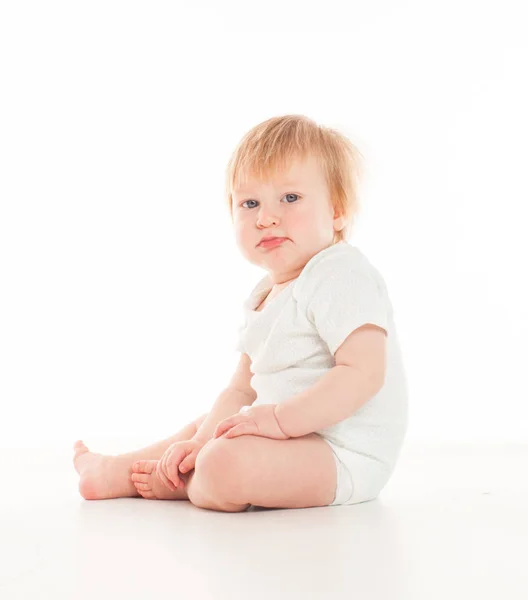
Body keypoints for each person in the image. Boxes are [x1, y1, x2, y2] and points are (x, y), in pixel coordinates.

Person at [73, 114, 408, 511]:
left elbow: (364, 373)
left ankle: (180, 483)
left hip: (343, 455)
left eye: (290, 198)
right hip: (287, 438)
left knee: (222, 461)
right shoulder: (267, 293)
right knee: (211, 425)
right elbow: (241, 389)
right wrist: (197, 443)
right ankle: (121, 471)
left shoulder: (340, 273)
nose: (265, 217)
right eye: (250, 203)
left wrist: (279, 421)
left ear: (336, 210)